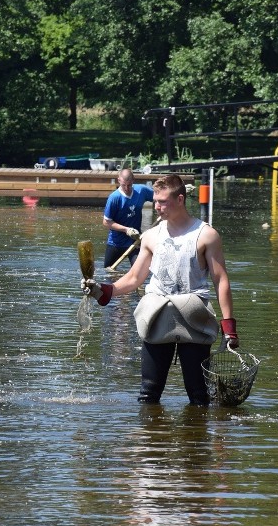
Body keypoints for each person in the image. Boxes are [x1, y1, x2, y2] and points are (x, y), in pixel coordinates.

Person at [83, 174, 238, 405]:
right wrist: (103, 290)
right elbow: (135, 277)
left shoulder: (206, 234)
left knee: (198, 395)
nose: (157, 206)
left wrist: (229, 327)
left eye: (163, 201)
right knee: (148, 394)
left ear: (180, 199)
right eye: (155, 201)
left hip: (193, 315)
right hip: (157, 315)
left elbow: (220, 280)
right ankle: (150, 440)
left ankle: (196, 440)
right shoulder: (151, 236)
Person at [102, 168, 154, 268]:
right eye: (123, 185)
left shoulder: (141, 191)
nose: (126, 188)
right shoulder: (114, 198)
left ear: (133, 181)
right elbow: (106, 222)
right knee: (108, 273)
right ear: (119, 181)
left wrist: (177, 192)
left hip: (135, 241)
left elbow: (159, 197)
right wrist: (126, 229)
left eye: (129, 185)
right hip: (116, 243)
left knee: (138, 271)